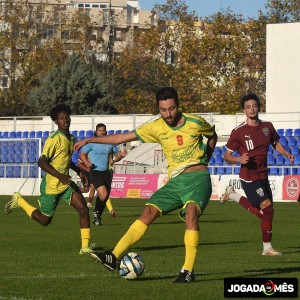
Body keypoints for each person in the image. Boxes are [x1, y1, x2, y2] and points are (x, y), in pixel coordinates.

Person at [74, 87, 218, 283]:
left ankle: (187, 271)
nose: (168, 114)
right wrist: (91, 139)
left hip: (197, 178)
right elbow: (122, 138)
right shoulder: (156, 127)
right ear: (158, 109)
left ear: (178, 105)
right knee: (148, 212)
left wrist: (205, 159)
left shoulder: (195, 122)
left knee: (191, 213)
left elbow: (212, 136)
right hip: (175, 182)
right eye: (163, 110)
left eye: (172, 108)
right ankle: (113, 256)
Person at [4, 104, 95, 256]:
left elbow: (66, 160)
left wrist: (79, 171)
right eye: (61, 118)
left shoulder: (71, 138)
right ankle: (19, 201)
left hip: (66, 184)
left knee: (83, 209)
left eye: (67, 117)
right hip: (52, 186)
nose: (65, 120)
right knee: (45, 221)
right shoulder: (54, 139)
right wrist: (60, 176)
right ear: (56, 122)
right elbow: (41, 162)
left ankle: (85, 247)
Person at [220, 93, 295, 256]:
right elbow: (226, 156)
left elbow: (275, 143)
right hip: (248, 177)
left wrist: (286, 154)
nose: (252, 109)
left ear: (258, 107)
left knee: (265, 213)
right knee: (268, 210)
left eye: (254, 106)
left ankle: (232, 195)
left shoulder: (267, 126)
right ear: (244, 110)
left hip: (263, 175)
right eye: (248, 107)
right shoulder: (238, 131)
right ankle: (267, 249)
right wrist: (239, 158)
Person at [79, 123, 126, 226]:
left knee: (104, 197)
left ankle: (97, 215)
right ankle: (96, 211)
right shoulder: (91, 143)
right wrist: (87, 163)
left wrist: (120, 156)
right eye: (99, 130)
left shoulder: (110, 143)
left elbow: (117, 155)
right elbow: (82, 154)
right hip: (95, 172)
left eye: (103, 130)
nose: (102, 132)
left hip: (107, 173)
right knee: (103, 194)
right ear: (96, 132)